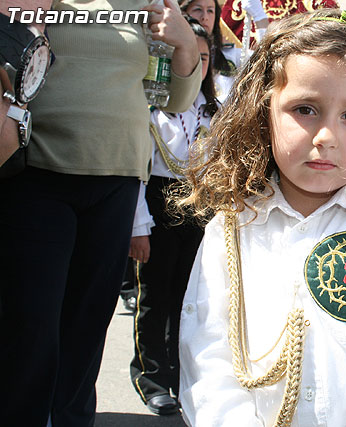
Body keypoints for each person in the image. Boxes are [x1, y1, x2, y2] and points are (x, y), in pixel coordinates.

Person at [177, 9, 346, 426]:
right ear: (263, 110)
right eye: (305, 109)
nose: (326, 136)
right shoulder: (232, 227)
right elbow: (208, 351)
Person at [0, 1, 202, 425]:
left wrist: (183, 41)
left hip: (119, 180)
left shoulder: (144, 5)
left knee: (88, 328)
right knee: (31, 328)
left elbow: (176, 101)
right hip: (39, 172)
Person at [128, 20, 217, 416]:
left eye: (202, 57)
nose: (195, 64)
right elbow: (138, 171)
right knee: (155, 297)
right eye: (186, 56)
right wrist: (139, 226)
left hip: (201, 206)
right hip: (160, 201)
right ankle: (151, 377)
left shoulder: (215, 110)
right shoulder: (150, 107)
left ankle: (183, 377)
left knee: (191, 299)